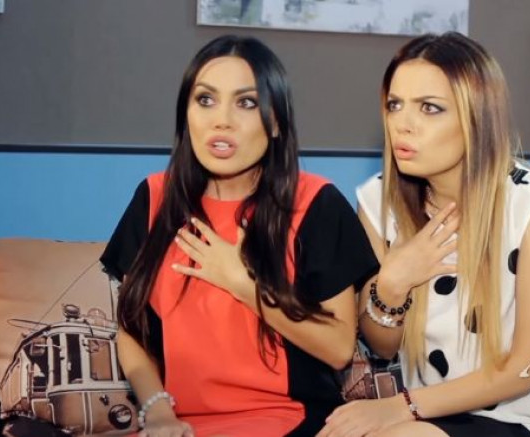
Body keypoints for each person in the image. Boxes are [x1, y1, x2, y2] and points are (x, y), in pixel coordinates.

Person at [100, 35, 378, 437]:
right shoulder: (154, 197)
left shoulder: (316, 202)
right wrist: (157, 411)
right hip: (179, 427)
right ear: (186, 115)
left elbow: (337, 349)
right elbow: (132, 329)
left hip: (287, 420)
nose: (222, 120)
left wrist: (244, 285)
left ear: (276, 122)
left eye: (246, 103)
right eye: (205, 100)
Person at [318, 32, 530, 437]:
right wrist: (392, 284)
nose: (403, 124)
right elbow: (384, 346)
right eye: (395, 105)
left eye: (430, 108)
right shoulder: (377, 201)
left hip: (527, 419)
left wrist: (401, 407)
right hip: (431, 416)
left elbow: (529, 368)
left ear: (475, 117)